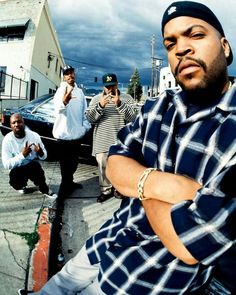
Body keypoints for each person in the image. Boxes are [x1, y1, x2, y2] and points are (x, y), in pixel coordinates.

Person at [26, 1, 236, 294]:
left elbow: (187, 244)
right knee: (104, 170)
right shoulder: (160, 106)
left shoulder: (228, 131)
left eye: (196, 35)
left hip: (138, 279)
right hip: (103, 241)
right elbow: (115, 159)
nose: (181, 48)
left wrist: (136, 180)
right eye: (171, 42)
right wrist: (160, 184)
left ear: (225, 47)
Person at [86, 73, 136, 202]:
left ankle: (119, 189)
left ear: (117, 84)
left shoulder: (127, 98)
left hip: (121, 141)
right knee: (103, 167)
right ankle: (106, 190)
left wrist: (119, 103)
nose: (110, 89)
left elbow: (134, 118)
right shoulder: (96, 99)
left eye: (112, 86)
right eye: (108, 87)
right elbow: (90, 119)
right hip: (102, 140)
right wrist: (101, 106)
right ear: (104, 86)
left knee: (121, 167)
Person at [53, 65, 91, 198]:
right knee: (65, 166)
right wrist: (64, 102)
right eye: (67, 74)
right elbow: (57, 109)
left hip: (76, 136)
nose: (70, 76)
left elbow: (84, 113)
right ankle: (64, 189)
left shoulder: (80, 92)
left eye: (71, 73)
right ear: (64, 76)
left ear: (74, 74)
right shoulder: (60, 91)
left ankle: (70, 182)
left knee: (74, 163)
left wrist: (84, 128)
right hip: (63, 137)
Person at [2, 113, 57, 199]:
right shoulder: (7, 140)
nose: (17, 124)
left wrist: (41, 153)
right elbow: (6, 164)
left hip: (31, 166)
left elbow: (44, 156)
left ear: (23, 122)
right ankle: (21, 185)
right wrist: (22, 155)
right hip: (17, 168)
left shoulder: (34, 136)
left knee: (36, 166)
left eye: (19, 122)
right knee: (15, 179)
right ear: (11, 125)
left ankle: (44, 189)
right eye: (14, 122)